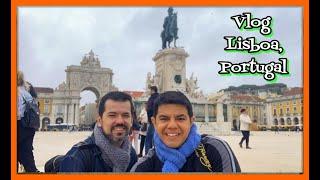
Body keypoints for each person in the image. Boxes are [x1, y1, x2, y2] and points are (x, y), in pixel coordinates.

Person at [131, 91, 241, 172]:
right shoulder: (142, 167)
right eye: (164, 118)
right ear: (154, 123)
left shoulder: (215, 149)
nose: (172, 125)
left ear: (191, 121)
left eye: (180, 118)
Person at [59, 91, 138, 172]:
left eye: (125, 115)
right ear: (99, 121)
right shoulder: (78, 157)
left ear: (131, 121)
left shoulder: (131, 154)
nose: (120, 121)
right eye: (112, 115)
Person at [17, 71, 39, 172]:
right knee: (27, 152)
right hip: (31, 125)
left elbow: (18, 113)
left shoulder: (17, 91)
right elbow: (36, 104)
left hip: (20, 125)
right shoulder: (29, 88)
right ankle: (32, 172)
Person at [144, 86, 159, 155]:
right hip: (158, 120)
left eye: (149, 90)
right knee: (155, 138)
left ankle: (148, 155)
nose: (148, 91)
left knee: (148, 139)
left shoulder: (152, 98)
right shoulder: (159, 97)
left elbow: (149, 109)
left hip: (153, 121)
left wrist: (150, 119)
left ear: (152, 90)